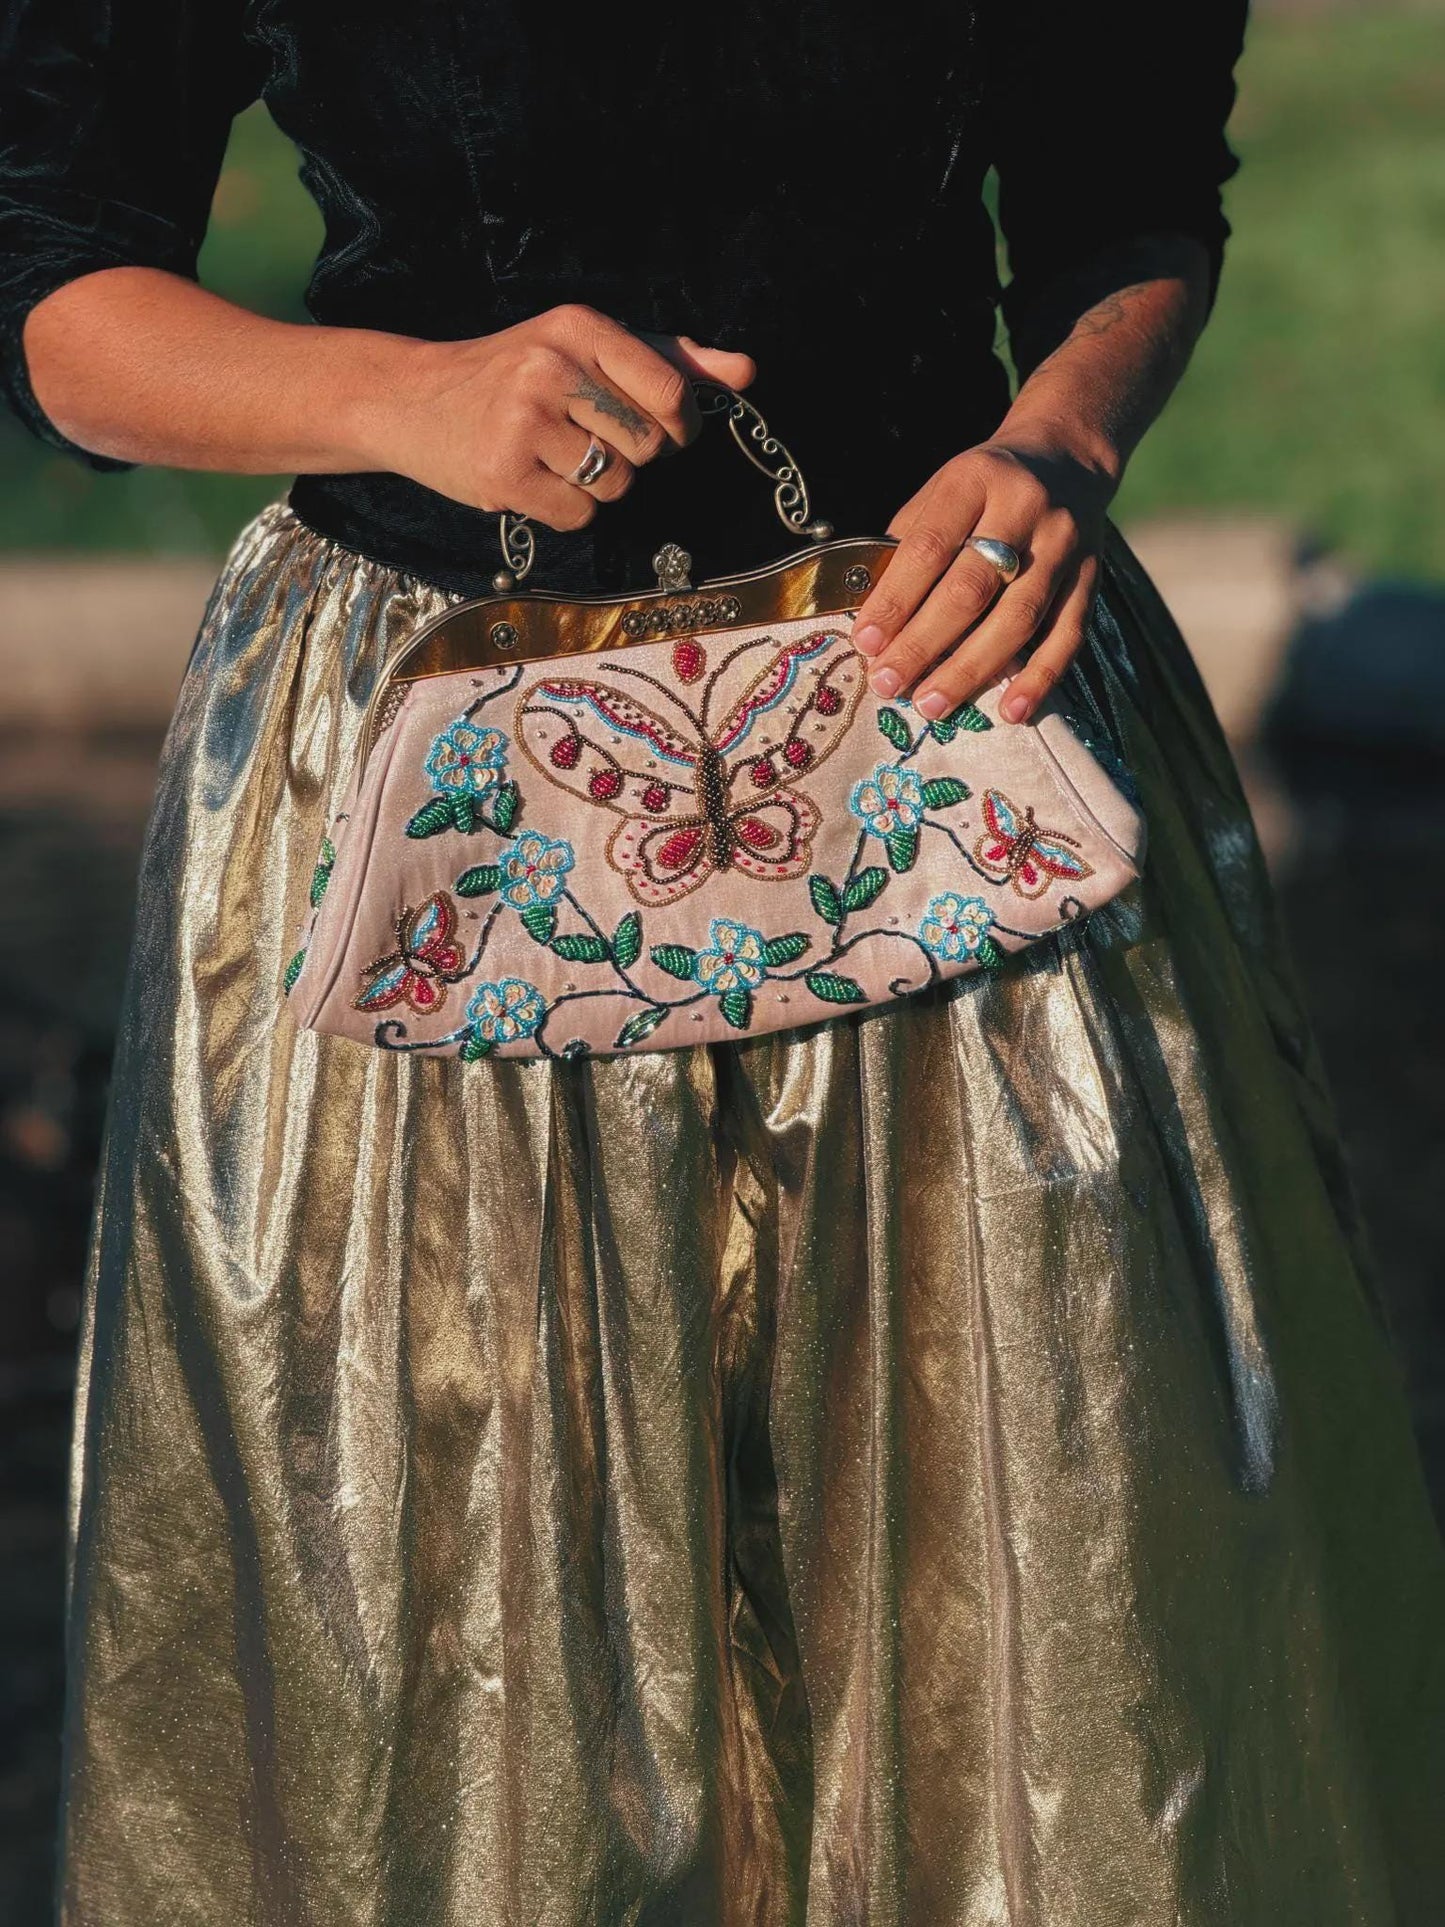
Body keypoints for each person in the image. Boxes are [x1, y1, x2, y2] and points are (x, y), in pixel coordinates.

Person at [3, 3, 1442, 1921]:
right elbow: (62, 295)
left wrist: (1058, 440)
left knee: (1068, 1592)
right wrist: (397, 398)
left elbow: (1134, 199)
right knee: (440, 1650)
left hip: (946, 735)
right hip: (433, 796)